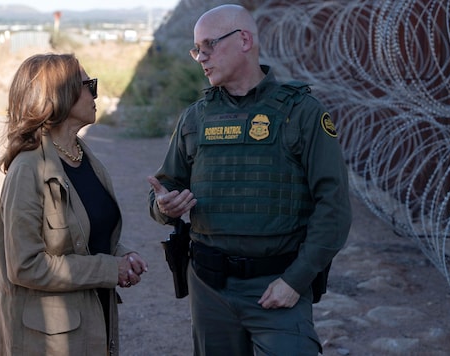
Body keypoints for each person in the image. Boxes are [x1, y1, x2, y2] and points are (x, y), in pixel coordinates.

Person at [148, 4, 352, 355]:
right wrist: (164, 207)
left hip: (278, 286)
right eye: (197, 49)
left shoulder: (301, 113)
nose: (201, 57)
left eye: (209, 45)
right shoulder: (195, 118)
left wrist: (295, 280)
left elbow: (333, 207)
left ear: (244, 40)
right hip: (209, 288)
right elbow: (161, 193)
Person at [0, 53, 148, 356]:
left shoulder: (83, 157)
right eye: (89, 85)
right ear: (60, 96)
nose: (95, 94)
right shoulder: (27, 169)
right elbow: (25, 265)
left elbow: (84, 236)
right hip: (46, 341)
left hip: (91, 322)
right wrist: (110, 268)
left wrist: (122, 255)